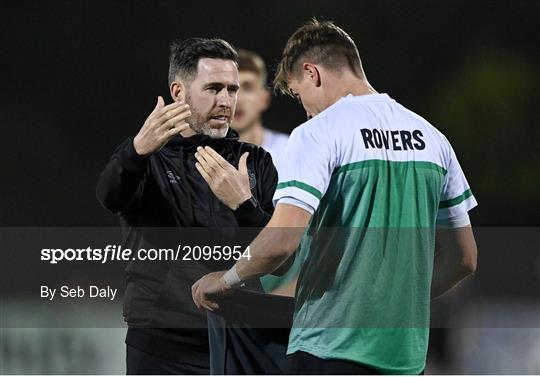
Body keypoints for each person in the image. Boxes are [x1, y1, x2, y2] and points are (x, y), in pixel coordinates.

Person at [192, 19, 479, 375]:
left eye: (300, 96)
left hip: (327, 352)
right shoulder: (435, 140)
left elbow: (281, 242)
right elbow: (464, 258)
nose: (307, 110)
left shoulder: (318, 133)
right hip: (406, 359)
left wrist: (224, 280)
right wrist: (399, 305)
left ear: (312, 72)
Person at [96, 37, 278, 374]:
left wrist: (243, 205)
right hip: (162, 344)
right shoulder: (145, 157)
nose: (227, 101)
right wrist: (136, 151)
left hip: (240, 338)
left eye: (232, 89)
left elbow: (279, 259)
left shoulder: (256, 162)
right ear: (179, 93)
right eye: (213, 88)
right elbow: (110, 196)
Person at [232, 48, 298, 295]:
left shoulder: (292, 150)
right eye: (231, 89)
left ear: (263, 98)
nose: (237, 99)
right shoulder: (202, 157)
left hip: (281, 294)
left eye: (246, 87)